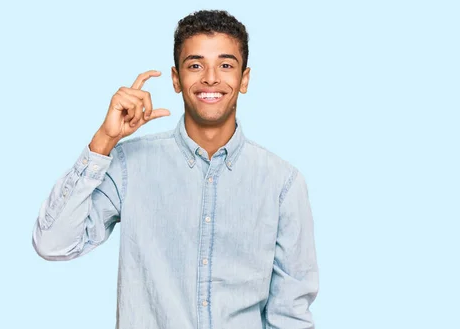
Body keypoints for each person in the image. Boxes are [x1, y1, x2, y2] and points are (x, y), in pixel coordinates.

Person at [32, 9, 319, 329]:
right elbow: (53, 243)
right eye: (195, 65)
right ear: (176, 78)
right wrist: (105, 139)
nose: (210, 77)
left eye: (225, 65)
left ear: (245, 79)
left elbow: (290, 314)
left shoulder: (283, 183)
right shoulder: (129, 165)